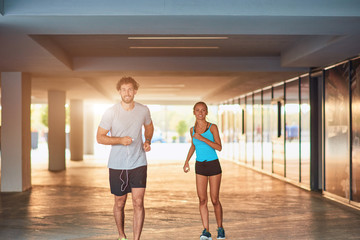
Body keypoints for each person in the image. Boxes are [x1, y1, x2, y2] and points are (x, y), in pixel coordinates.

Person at [97, 77, 154, 240]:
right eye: (123, 89)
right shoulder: (111, 112)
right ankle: (122, 236)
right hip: (117, 164)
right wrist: (120, 140)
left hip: (139, 162)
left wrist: (148, 140)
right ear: (119, 92)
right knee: (120, 202)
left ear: (135, 91)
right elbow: (100, 137)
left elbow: (149, 127)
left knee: (138, 202)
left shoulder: (143, 110)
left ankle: (136, 239)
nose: (127, 93)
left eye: (130, 89)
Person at [183, 102, 225, 240]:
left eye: (203, 110)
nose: (200, 113)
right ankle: (206, 231)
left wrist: (203, 138)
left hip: (213, 165)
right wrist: (186, 161)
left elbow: (219, 147)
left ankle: (220, 229)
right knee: (202, 200)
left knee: (214, 199)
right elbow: (193, 146)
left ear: (206, 112)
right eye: (197, 110)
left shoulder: (212, 127)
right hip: (200, 166)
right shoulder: (192, 130)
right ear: (194, 112)